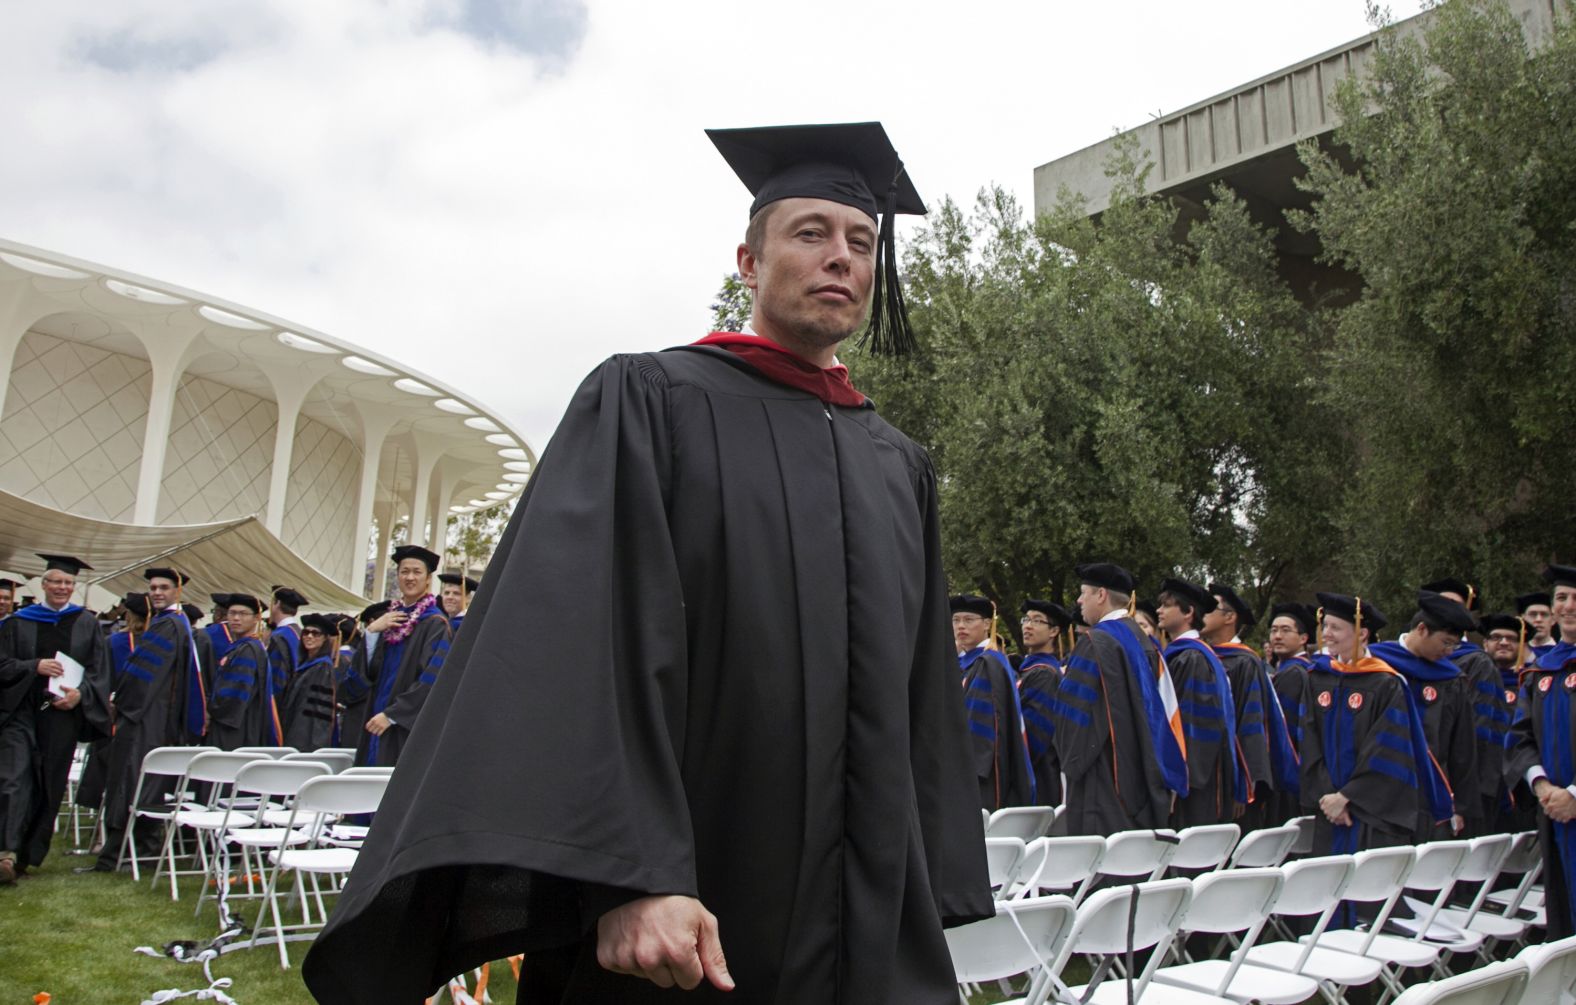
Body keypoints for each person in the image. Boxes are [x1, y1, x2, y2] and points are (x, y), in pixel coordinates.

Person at [302, 121, 991, 1004]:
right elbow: (581, 646)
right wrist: (628, 877)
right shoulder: (650, 404)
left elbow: (923, 692)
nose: (841, 259)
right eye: (810, 233)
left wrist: (922, 883)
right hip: (683, 918)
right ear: (748, 261)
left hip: (865, 926)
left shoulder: (897, 464)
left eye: (861, 241)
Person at [1300, 593, 1449, 857]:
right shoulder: (1318, 678)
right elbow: (1309, 741)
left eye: (1336, 627)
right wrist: (1328, 798)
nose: (1327, 634)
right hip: (1329, 811)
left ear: (1361, 633)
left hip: (1371, 815)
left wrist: (1346, 797)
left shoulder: (1385, 683)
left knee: (1366, 893)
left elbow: (1386, 750)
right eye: (1325, 627)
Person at [1051, 563, 1188, 835]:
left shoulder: (1095, 643)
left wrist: (1070, 761)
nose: (1079, 601)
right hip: (1140, 778)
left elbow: (1074, 724)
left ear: (1101, 595)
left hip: (1102, 785)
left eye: (1083, 593)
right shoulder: (1143, 640)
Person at [0, 555, 111, 880]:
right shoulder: (18, 622)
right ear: (44, 584)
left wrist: (81, 695)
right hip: (20, 713)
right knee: (13, 778)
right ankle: (5, 852)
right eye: (56, 581)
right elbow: (3, 666)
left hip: (61, 716)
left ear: (72, 587)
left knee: (49, 784)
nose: (62, 587)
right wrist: (32, 666)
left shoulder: (87, 623)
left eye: (68, 583)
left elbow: (99, 673)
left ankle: (26, 855)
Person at [89, 567, 203, 872]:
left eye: (164, 587)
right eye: (152, 587)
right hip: (156, 715)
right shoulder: (175, 624)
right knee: (145, 783)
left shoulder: (167, 625)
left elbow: (143, 678)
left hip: (144, 716)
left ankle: (116, 856)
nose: (156, 592)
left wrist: (119, 701)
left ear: (177, 591)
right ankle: (141, 852)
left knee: (130, 780)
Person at [1368, 591, 1478, 839]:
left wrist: (1459, 806)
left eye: (1455, 644)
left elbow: (1462, 747)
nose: (1450, 651)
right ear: (1421, 629)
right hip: (1379, 794)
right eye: (1446, 642)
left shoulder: (1451, 679)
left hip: (1430, 794)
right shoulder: (1376, 664)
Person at [1507, 564, 1576, 938]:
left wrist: (1574, 795)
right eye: (1561, 598)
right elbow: (1520, 737)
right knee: (1563, 915)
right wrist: (1543, 787)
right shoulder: (1539, 673)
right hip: (1553, 813)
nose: (1567, 606)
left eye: (1575, 598)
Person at [344, 546, 451, 768]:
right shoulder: (391, 621)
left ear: (428, 579)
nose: (410, 577)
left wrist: (392, 715)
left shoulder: (435, 624)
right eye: (404, 571)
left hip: (404, 727)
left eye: (416, 572)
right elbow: (369, 674)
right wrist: (372, 632)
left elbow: (433, 680)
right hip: (375, 719)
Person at [1206, 582, 1295, 828]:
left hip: (1236, 786)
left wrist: (1243, 786)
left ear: (1229, 617)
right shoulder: (1204, 656)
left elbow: (1252, 729)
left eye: (1209, 608)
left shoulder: (1245, 663)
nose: (1201, 613)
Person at [1156, 578, 1239, 826]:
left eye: (1166, 605)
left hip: (1191, 783)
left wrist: (1177, 780)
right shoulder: (1192, 654)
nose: (1159, 611)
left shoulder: (1191, 659)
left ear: (1188, 612)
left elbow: (1192, 727)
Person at [952, 593, 1034, 810]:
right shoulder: (968, 663)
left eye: (969, 620)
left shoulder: (987, 663)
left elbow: (978, 729)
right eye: (956, 620)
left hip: (978, 772)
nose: (961, 626)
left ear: (988, 624)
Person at [1265, 601, 1316, 824]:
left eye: (1286, 631)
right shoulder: (1303, 669)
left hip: (1287, 772)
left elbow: (1281, 733)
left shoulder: (1293, 673)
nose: (1277, 636)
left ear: (1304, 638)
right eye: (1274, 630)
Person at [1479, 612, 1531, 833]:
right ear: (1485, 644)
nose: (1503, 642)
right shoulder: (1470, 681)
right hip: (1482, 778)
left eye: (1511, 638)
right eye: (1496, 637)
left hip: (1521, 783)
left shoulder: (1531, 683)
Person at [1017, 599, 1069, 807]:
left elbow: (1036, 734)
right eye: (1026, 620)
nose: (1028, 626)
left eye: (1037, 621)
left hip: (1039, 775)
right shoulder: (1030, 669)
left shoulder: (1044, 674)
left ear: (1054, 631)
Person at [207, 594, 270, 751]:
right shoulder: (242, 647)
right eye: (232, 613)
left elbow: (234, 695)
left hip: (233, 727)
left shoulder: (247, 650)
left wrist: (210, 711)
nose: (236, 618)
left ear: (256, 618)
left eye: (243, 614)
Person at [281, 612, 340, 750]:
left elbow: (319, 711)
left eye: (316, 633)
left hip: (307, 738)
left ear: (325, 638)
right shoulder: (306, 664)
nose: (309, 636)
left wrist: (314, 746)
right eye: (306, 632)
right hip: (294, 730)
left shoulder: (322, 667)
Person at [1518, 590, 1557, 657]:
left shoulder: (1564, 655)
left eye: (1544, 614)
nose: (1538, 619)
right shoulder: (1516, 655)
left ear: (1553, 619)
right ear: (1523, 619)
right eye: (1533, 614)